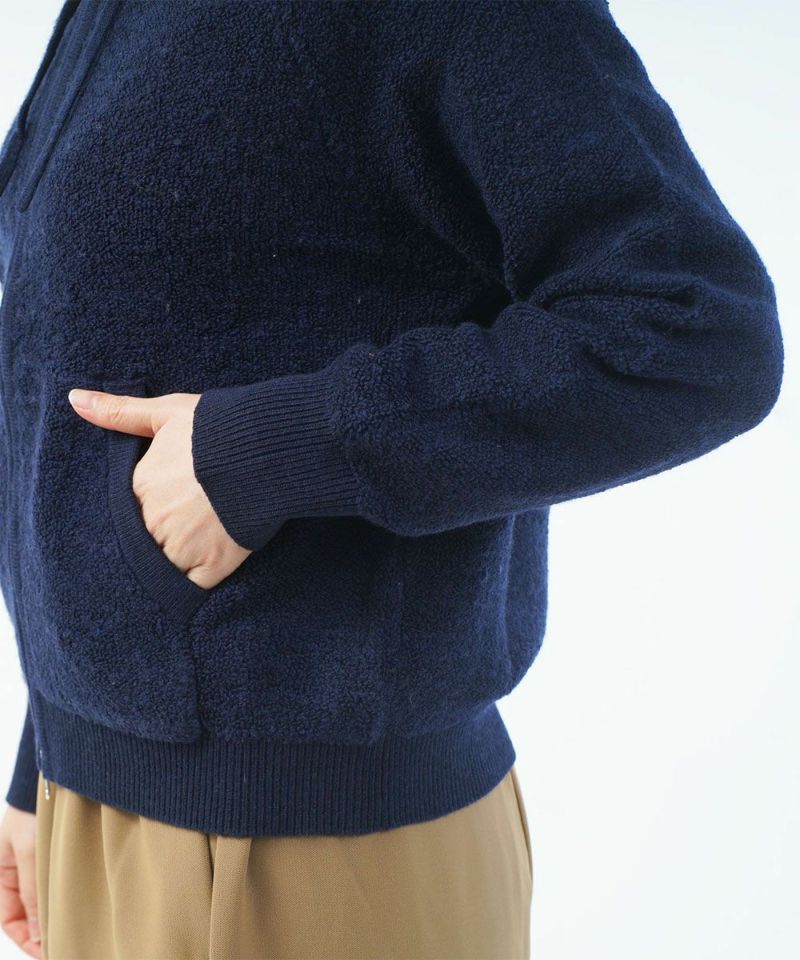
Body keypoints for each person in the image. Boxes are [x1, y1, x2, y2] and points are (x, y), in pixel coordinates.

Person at [0, 0, 783, 957]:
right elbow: (88, 352)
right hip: (92, 808)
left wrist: (272, 450)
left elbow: (694, 328)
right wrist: (47, 749)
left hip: (304, 851)